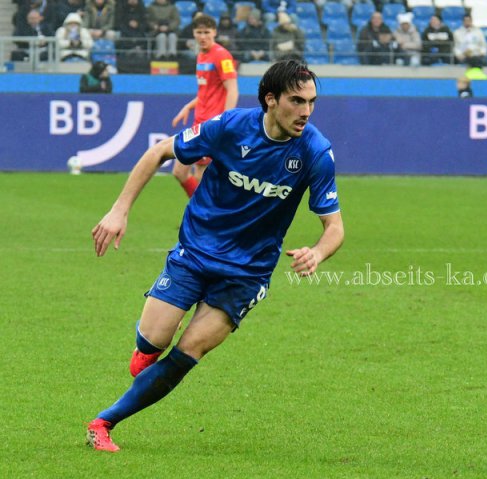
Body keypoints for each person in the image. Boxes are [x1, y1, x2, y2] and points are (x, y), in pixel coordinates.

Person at [86, 59, 344, 453]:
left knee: (190, 351)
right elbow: (160, 152)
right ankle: (147, 347)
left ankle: (103, 422)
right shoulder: (231, 126)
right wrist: (119, 210)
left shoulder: (315, 151)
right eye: (297, 101)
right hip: (195, 252)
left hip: (247, 273)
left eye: (311, 102)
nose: (306, 111)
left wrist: (318, 252)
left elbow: (335, 227)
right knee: (152, 345)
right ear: (271, 100)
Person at [170, 13, 239, 197]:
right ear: (193, 33)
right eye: (199, 32)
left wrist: (225, 121)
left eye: (206, 32)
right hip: (198, 122)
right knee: (180, 172)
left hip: (211, 125)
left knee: (200, 174)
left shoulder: (222, 55)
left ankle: (204, 213)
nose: (202, 36)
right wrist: (188, 106)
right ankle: (203, 211)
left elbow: (232, 90)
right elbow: (206, 91)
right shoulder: (201, 55)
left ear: (214, 32)